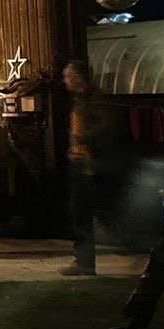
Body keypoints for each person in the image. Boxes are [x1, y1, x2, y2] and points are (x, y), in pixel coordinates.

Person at [63, 59, 110, 276]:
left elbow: (107, 127)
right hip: (80, 164)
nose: (65, 80)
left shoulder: (94, 100)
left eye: (68, 76)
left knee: (84, 212)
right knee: (79, 212)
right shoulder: (80, 100)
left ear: (78, 77)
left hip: (92, 165)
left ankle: (85, 262)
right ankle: (83, 260)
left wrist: (83, 138)